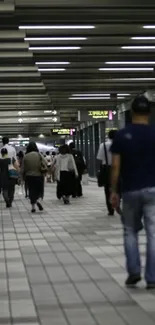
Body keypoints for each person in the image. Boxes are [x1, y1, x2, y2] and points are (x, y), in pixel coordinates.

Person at [111, 95, 155, 289]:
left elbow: (115, 168)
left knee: (130, 231)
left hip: (129, 191)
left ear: (131, 112)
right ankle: (152, 277)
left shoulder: (122, 135)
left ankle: (134, 273)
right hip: (153, 190)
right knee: (153, 233)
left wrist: (114, 192)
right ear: (149, 113)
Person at [97, 130, 117, 216]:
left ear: (108, 136)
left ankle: (110, 209)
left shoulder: (103, 145)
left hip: (107, 169)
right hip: (119, 169)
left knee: (107, 189)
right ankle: (118, 203)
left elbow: (100, 158)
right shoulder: (122, 144)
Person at [23, 142, 47, 213]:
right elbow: (45, 163)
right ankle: (38, 200)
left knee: (31, 191)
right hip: (38, 175)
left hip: (29, 176)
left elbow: (23, 168)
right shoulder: (39, 155)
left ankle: (33, 207)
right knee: (39, 190)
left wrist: (21, 177)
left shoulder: (26, 156)